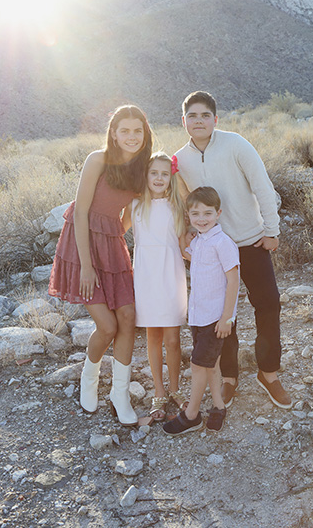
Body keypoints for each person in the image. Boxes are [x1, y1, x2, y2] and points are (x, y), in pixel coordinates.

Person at [174, 91, 291, 409]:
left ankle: (269, 373)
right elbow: (182, 200)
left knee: (267, 305)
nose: (199, 121)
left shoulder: (236, 144)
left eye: (205, 115)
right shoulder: (179, 159)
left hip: (251, 241)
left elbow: (262, 185)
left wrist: (272, 231)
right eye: (192, 116)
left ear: (215, 119)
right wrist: (185, 233)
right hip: (212, 250)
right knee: (220, 316)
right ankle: (229, 378)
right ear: (183, 121)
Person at [48, 104, 153, 426]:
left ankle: (119, 394)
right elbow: (80, 212)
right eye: (125, 131)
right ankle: (88, 379)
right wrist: (87, 265)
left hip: (112, 246)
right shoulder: (98, 159)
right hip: (81, 245)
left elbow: (126, 218)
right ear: (114, 133)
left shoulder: (143, 168)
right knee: (106, 327)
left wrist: (114, 237)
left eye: (138, 131)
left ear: (145, 133)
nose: (132, 137)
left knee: (128, 317)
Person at [164, 187, 239, 435]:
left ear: (218, 213)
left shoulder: (223, 243)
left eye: (208, 213)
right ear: (189, 215)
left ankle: (191, 415)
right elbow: (188, 255)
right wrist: (179, 233)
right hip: (198, 316)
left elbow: (234, 281)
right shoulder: (200, 241)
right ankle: (218, 407)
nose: (202, 219)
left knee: (197, 365)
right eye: (195, 214)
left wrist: (227, 317)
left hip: (215, 320)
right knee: (210, 365)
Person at [130, 152, 188, 425]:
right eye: (154, 172)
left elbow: (183, 244)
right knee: (153, 336)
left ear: (171, 177)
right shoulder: (135, 205)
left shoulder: (177, 206)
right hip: (146, 274)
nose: (159, 178)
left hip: (170, 272)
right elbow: (116, 231)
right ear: (145, 175)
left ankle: (176, 389)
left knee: (173, 338)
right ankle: (159, 392)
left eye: (165, 173)